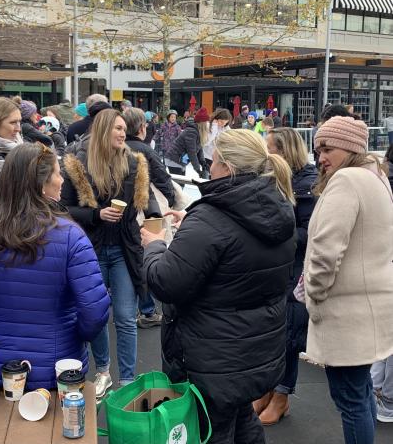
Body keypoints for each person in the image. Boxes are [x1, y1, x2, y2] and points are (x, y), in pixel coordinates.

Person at [141, 128, 297, 444]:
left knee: (212, 430)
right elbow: (235, 246)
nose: (209, 165)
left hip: (211, 359)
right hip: (253, 353)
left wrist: (155, 245)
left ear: (226, 166)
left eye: (213, 159)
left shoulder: (212, 218)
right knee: (242, 419)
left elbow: (166, 282)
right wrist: (193, 227)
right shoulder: (277, 207)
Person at [0, 143, 110, 390]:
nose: (62, 179)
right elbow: (94, 309)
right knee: (61, 427)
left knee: (0, 428)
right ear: (42, 184)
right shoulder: (71, 236)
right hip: (60, 367)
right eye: (57, 173)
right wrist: (75, 333)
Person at [304, 116, 393, 444]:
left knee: (351, 400)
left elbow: (326, 251)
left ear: (351, 147)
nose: (321, 157)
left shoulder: (347, 181)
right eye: (318, 150)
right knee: (361, 392)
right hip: (369, 307)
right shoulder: (376, 176)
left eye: (327, 148)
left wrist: (314, 294)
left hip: (345, 312)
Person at [61, 108, 159, 399]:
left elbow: (148, 194)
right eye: (116, 128)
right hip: (91, 249)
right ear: (103, 131)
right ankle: (103, 371)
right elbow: (65, 208)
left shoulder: (133, 162)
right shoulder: (79, 165)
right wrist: (96, 214)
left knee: (127, 318)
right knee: (97, 315)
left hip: (124, 250)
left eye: (122, 129)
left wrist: (154, 213)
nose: (121, 133)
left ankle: (127, 379)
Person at [255, 128, 318, 425]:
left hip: (296, 267)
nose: (267, 153)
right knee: (272, 331)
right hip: (277, 265)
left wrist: (278, 235)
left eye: (271, 148)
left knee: (289, 334)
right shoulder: (273, 178)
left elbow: (311, 233)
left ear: (285, 150)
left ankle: (281, 395)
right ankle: (269, 389)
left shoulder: (307, 183)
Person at [124, 107, 179, 330]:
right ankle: (147, 309)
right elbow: (162, 177)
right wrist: (173, 199)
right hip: (144, 212)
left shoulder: (117, 148)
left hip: (121, 214)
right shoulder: (145, 151)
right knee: (145, 255)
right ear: (142, 127)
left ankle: (132, 307)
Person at [167, 107, 210, 179]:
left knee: (180, 185)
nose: (207, 124)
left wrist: (203, 163)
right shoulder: (191, 132)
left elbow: (199, 148)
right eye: (206, 122)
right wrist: (198, 170)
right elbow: (192, 152)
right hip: (174, 159)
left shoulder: (197, 131)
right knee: (179, 184)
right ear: (202, 124)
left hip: (180, 160)